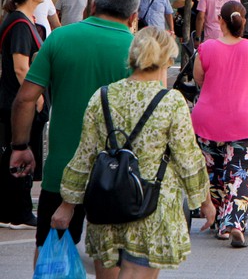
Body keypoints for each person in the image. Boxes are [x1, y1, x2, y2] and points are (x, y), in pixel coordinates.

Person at [50, 27, 214, 277]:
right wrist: (204, 200)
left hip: (106, 207)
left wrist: (67, 205)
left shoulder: (102, 96)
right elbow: (188, 158)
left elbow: (85, 156)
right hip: (150, 210)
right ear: (168, 61)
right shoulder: (171, 102)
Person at [9, 0, 140, 270]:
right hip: (118, 173)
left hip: (63, 169)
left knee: (49, 246)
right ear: (133, 17)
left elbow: (25, 99)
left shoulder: (59, 39)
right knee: (109, 254)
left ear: (92, 7)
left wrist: (20, 146)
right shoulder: (138, 51)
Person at [192, 2, 248, 247]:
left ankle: (219, 222)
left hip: (208, 122)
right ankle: (234, 223)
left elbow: (199, 80)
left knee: (214, 174)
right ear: (244, 21)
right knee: (239, 174)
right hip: (247, 121)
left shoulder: (205, 48)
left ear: (220, 20)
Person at [1, 0, 47, 229]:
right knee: (20, 154)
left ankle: (10, 210)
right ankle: (18, 212)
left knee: (12, 154)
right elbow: (21, 68)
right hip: (17, 103)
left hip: (14, 100)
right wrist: (35, 97)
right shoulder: (19, 24)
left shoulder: (23, 20)